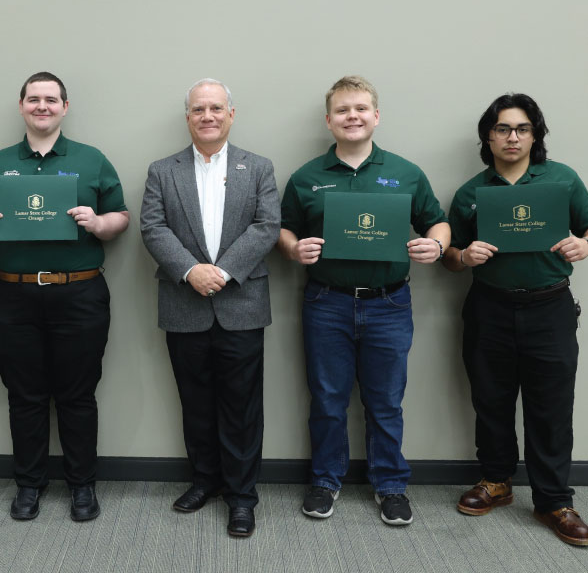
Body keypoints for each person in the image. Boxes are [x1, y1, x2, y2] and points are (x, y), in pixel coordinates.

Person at [278, 75, 449, 526]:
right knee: (328, 400)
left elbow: (438, 223)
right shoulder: (307, 177)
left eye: (360, 109)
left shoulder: (408, 172)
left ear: (376, 116)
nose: (351, 116)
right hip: (326, 302)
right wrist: (294, 249)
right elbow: (284, 229)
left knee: (386, 401)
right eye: (342, 110)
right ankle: (325, 481)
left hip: (389, 304)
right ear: (328, 120)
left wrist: (434, 245)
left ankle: (391, 486)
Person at [0, 72, 129, 522]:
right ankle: (29, 485)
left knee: (78, 396)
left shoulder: (91, 159)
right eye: (34, 99)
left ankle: (82, 486)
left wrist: (99, 223)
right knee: (24, 396)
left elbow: (122, 217)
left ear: (65, 106)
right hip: (14, 296)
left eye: (51, 99)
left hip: (79, 291)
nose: (43, 106)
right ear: (21, 106)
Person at [443, 93, 588, 546]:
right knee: (491, 401)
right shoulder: (472, 192)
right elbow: (448, 257)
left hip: (550, 307)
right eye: (503, 128)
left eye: (522, 128)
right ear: (488, 136)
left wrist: (585, 244)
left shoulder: (562, 180)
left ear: (535, 134)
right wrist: (463, 256)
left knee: (552, 406)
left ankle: (554, 500)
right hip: (490, 306)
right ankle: (496, 482)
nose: (512, 137)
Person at [140, 78, 279, 538]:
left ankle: (242, 497)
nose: (207, 116)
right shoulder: (163, 170)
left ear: (231, 114)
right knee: (195, 402)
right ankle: (205, 481)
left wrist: (222, 271)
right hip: (184, 301)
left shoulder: (257, 167)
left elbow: (267, 226)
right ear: (188, 117)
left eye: (216, 108)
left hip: (241, 302)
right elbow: (153, 228)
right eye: (198, 109)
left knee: (241, 407)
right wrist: (191, 271)